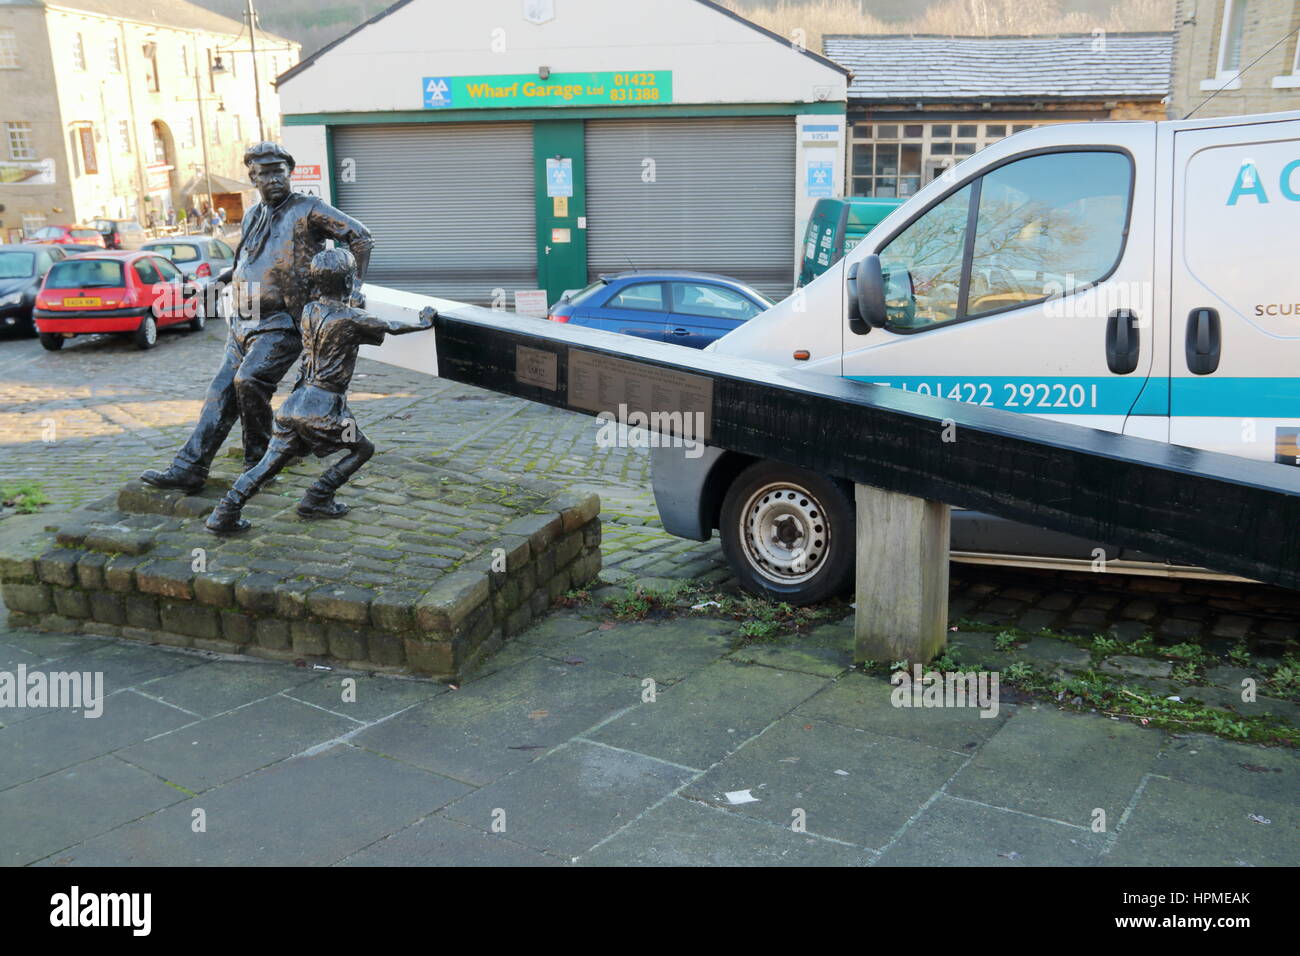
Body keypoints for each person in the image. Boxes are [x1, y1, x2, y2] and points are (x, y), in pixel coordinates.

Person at [140, 141, 374, 494]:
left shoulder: (309, 209)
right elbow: (243, 264)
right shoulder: (251, 215)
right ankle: (190, 467)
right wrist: (215, 282)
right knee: (219, 391)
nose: (273, 178)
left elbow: (361, 237)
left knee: (248, 381)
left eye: (279, 171)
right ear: (253, 178)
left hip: (284, 322)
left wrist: (352, 287)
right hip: (243, 320)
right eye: (264, 173)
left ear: (289, 172)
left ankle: (258, 463)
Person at [204, 250, 434, 534]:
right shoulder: (352, 318)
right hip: (323, 407)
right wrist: (424, 322)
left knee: (269, 463)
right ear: (349, 282)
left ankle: (224, 511)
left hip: (294, 405)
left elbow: (340, 318)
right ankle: (317, 496)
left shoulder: (309, 311)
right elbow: (392, 327)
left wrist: (352, 305)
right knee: (362, 449)